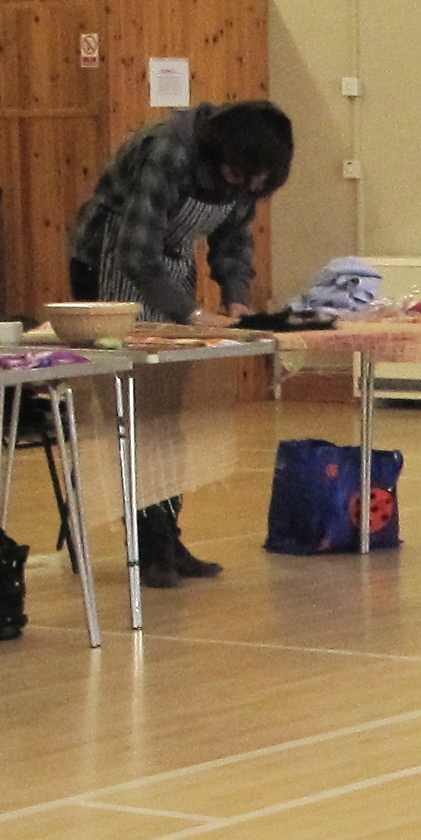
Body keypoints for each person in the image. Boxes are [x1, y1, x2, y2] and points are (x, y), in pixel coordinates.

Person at [69, 95, 294, 583]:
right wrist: (191, 314)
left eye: (255, 187)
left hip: (167, 268)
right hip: (110, 266)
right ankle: (147, 546)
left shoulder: (245, 171)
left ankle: (167, 537)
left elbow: (233, 240)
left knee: (169, 414)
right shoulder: (168, 151)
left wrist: (236, 299)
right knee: (133, 413)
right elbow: (135, 252)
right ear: (222, 154)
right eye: (239, 179)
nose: (244, 191)